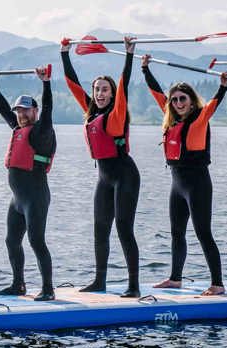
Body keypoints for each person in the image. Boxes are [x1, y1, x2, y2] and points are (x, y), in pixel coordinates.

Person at [141, 55, 227, 295]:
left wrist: (223, 85)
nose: (178, 102)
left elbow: (214, 103)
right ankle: (175, 278)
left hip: (198, 184)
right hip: (177, 185)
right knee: (176, 233)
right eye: (175, 100)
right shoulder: (170, 118)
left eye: (183, 99)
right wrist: (145, 68)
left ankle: (218, 284)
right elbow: (156, 93)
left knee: (203, 233)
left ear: (192, 102)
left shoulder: (200, 119)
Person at [61, 37, 141, 298]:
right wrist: (64, 53)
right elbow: (73, 85)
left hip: (125, 176)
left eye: (105, 89)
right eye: (97, 89)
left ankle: (133, 284)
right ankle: (100, 281)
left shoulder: (116, 116)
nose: (100, 93)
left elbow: (124, 87)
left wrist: (129, 55)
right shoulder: (91, 112)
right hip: (104, 178)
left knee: (124, 229)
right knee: (100, 228)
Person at [0, 65, 56, 301]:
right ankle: (18, 285)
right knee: (11, 241)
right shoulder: (17, 128)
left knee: (37, 241)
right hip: (17, 200)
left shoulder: (41, 131)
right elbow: (3, 108)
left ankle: (48, 289)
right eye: (19, 111)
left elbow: (48, 111)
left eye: (26, 111)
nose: (21, 115)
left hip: (36, 197)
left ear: (35, 111)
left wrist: (45, 83)